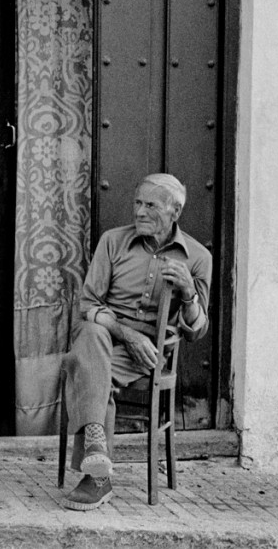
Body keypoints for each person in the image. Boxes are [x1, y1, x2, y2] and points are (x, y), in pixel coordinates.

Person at [61, 173, 212, 511]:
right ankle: (96, 460)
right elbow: (89, 305)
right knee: (90, 334)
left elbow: (197, 329)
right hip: (106, 340)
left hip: (149, 354)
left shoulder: (199, 258)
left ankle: (97, 471)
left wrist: (189, 293)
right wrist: (126, 334)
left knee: (84, 366)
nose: (140, 212)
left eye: (150, 206)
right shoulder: (112, 242)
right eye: (137, 203)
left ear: (175, 211)